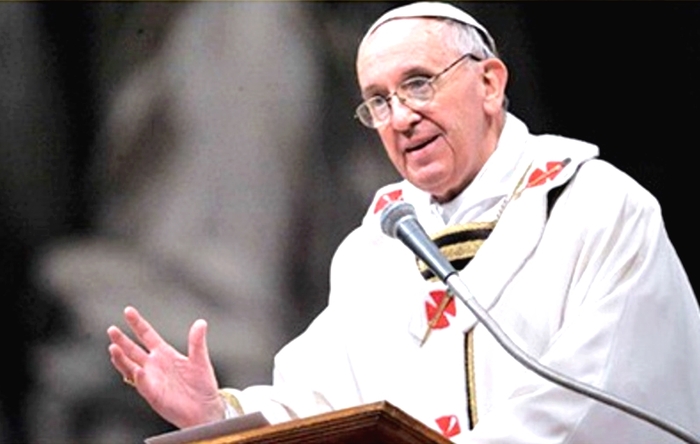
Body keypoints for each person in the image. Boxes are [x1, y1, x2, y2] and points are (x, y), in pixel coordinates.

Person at [107, 2, 700, 442]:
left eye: (418, 84)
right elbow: (323, 406)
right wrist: (218, 413)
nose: (401, 117)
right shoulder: (375, 250)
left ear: (489, 83)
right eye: (379, 100)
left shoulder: (596, 206)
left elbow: (599, 396)